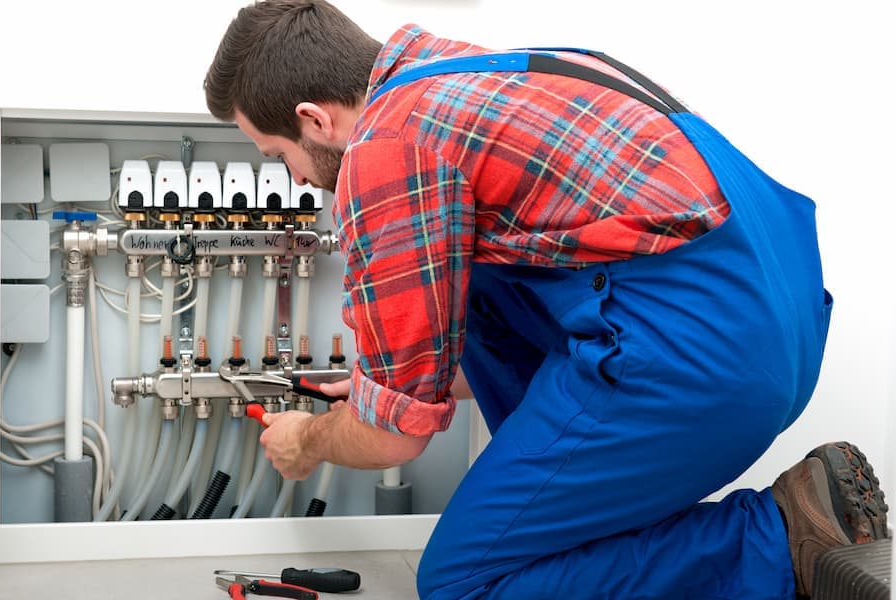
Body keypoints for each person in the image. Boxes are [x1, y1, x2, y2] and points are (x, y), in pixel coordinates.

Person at [203, 1, 889, 597]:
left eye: (275, 156)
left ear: (313, 119)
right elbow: (512, 321)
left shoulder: (388, 149)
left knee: (465, 582)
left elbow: (394, 440)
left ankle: (781, 533)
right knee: (472, 279)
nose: (293, 180)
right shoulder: (497, 72)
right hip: (775, 324)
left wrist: (309, 440)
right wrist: (378, 389)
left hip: (696, 353)